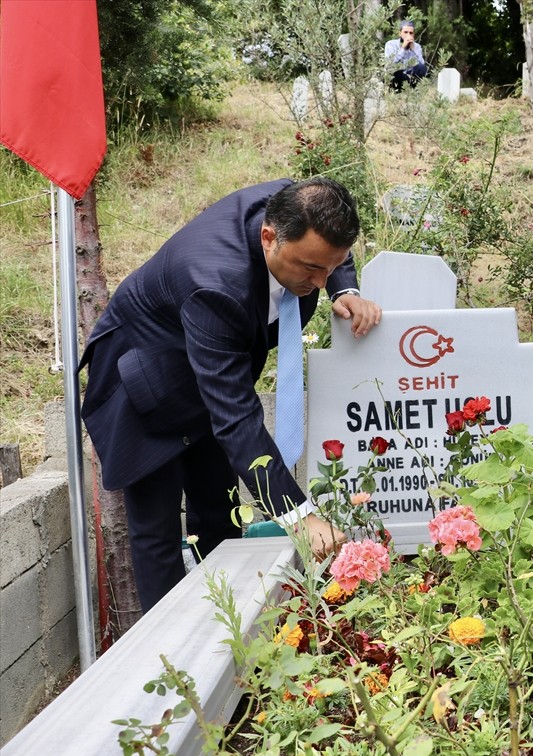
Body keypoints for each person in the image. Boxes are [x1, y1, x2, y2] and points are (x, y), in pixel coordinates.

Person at [80, 178, 383, 610]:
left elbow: (332, 249)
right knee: (157, 532)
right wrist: (300, 517)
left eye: (329, 269)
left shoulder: (300, 205)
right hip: (144, 385)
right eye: (310, 268)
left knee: (219, 514)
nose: (319, 283)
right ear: (269, 237)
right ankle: (174, 645)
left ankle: (229, 628)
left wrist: (345, 288)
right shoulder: (216, 284)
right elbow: (236, 418)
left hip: (210, 370)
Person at [385, 20, 428, 91]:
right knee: (395, 72)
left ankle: (413, 89)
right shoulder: (391, 44)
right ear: (400, 33)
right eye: (405, 32)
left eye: (411, 33)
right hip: (397, 75)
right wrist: (403, 48)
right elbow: (390, 63)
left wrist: (414, 49)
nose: (408, 35)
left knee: (422, 68)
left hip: (410, 75)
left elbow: (422, 64)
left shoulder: (417, 47)